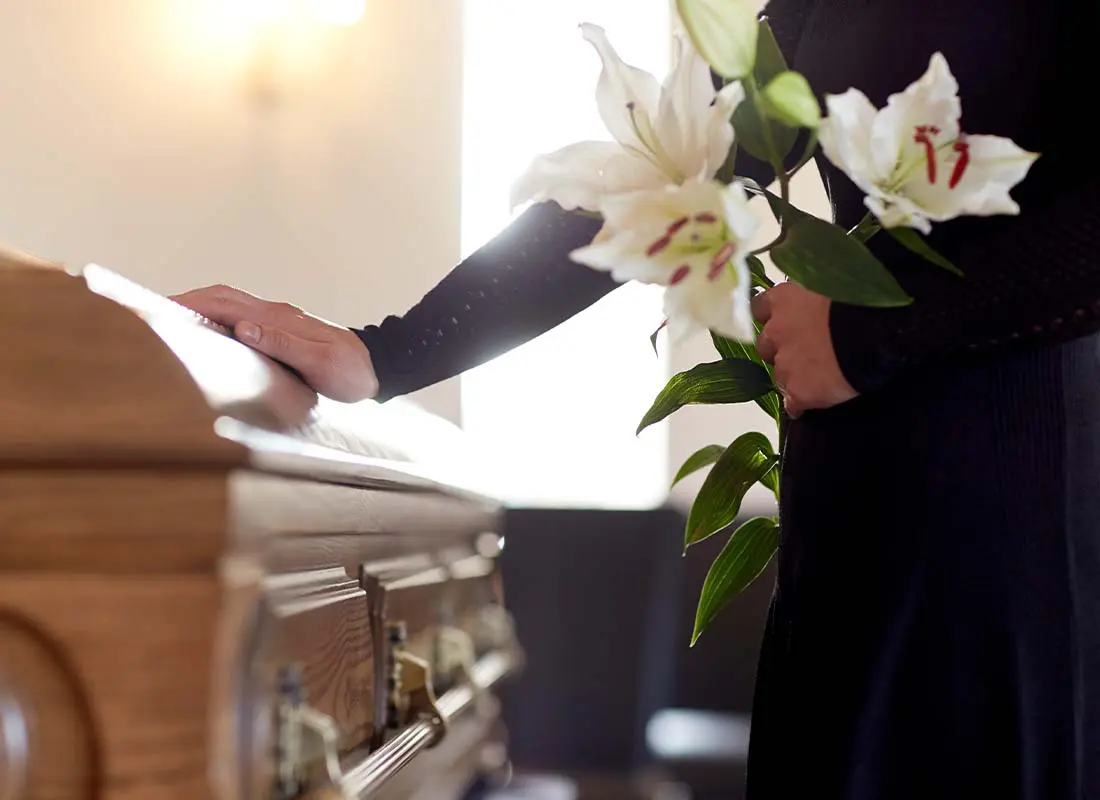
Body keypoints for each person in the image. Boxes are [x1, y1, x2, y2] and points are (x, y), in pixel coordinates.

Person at [174, 0, 1100, 796]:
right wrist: (387, 351)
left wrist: (874, 329)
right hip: (856, 526)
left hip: (1020, 535)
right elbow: (668, 169)